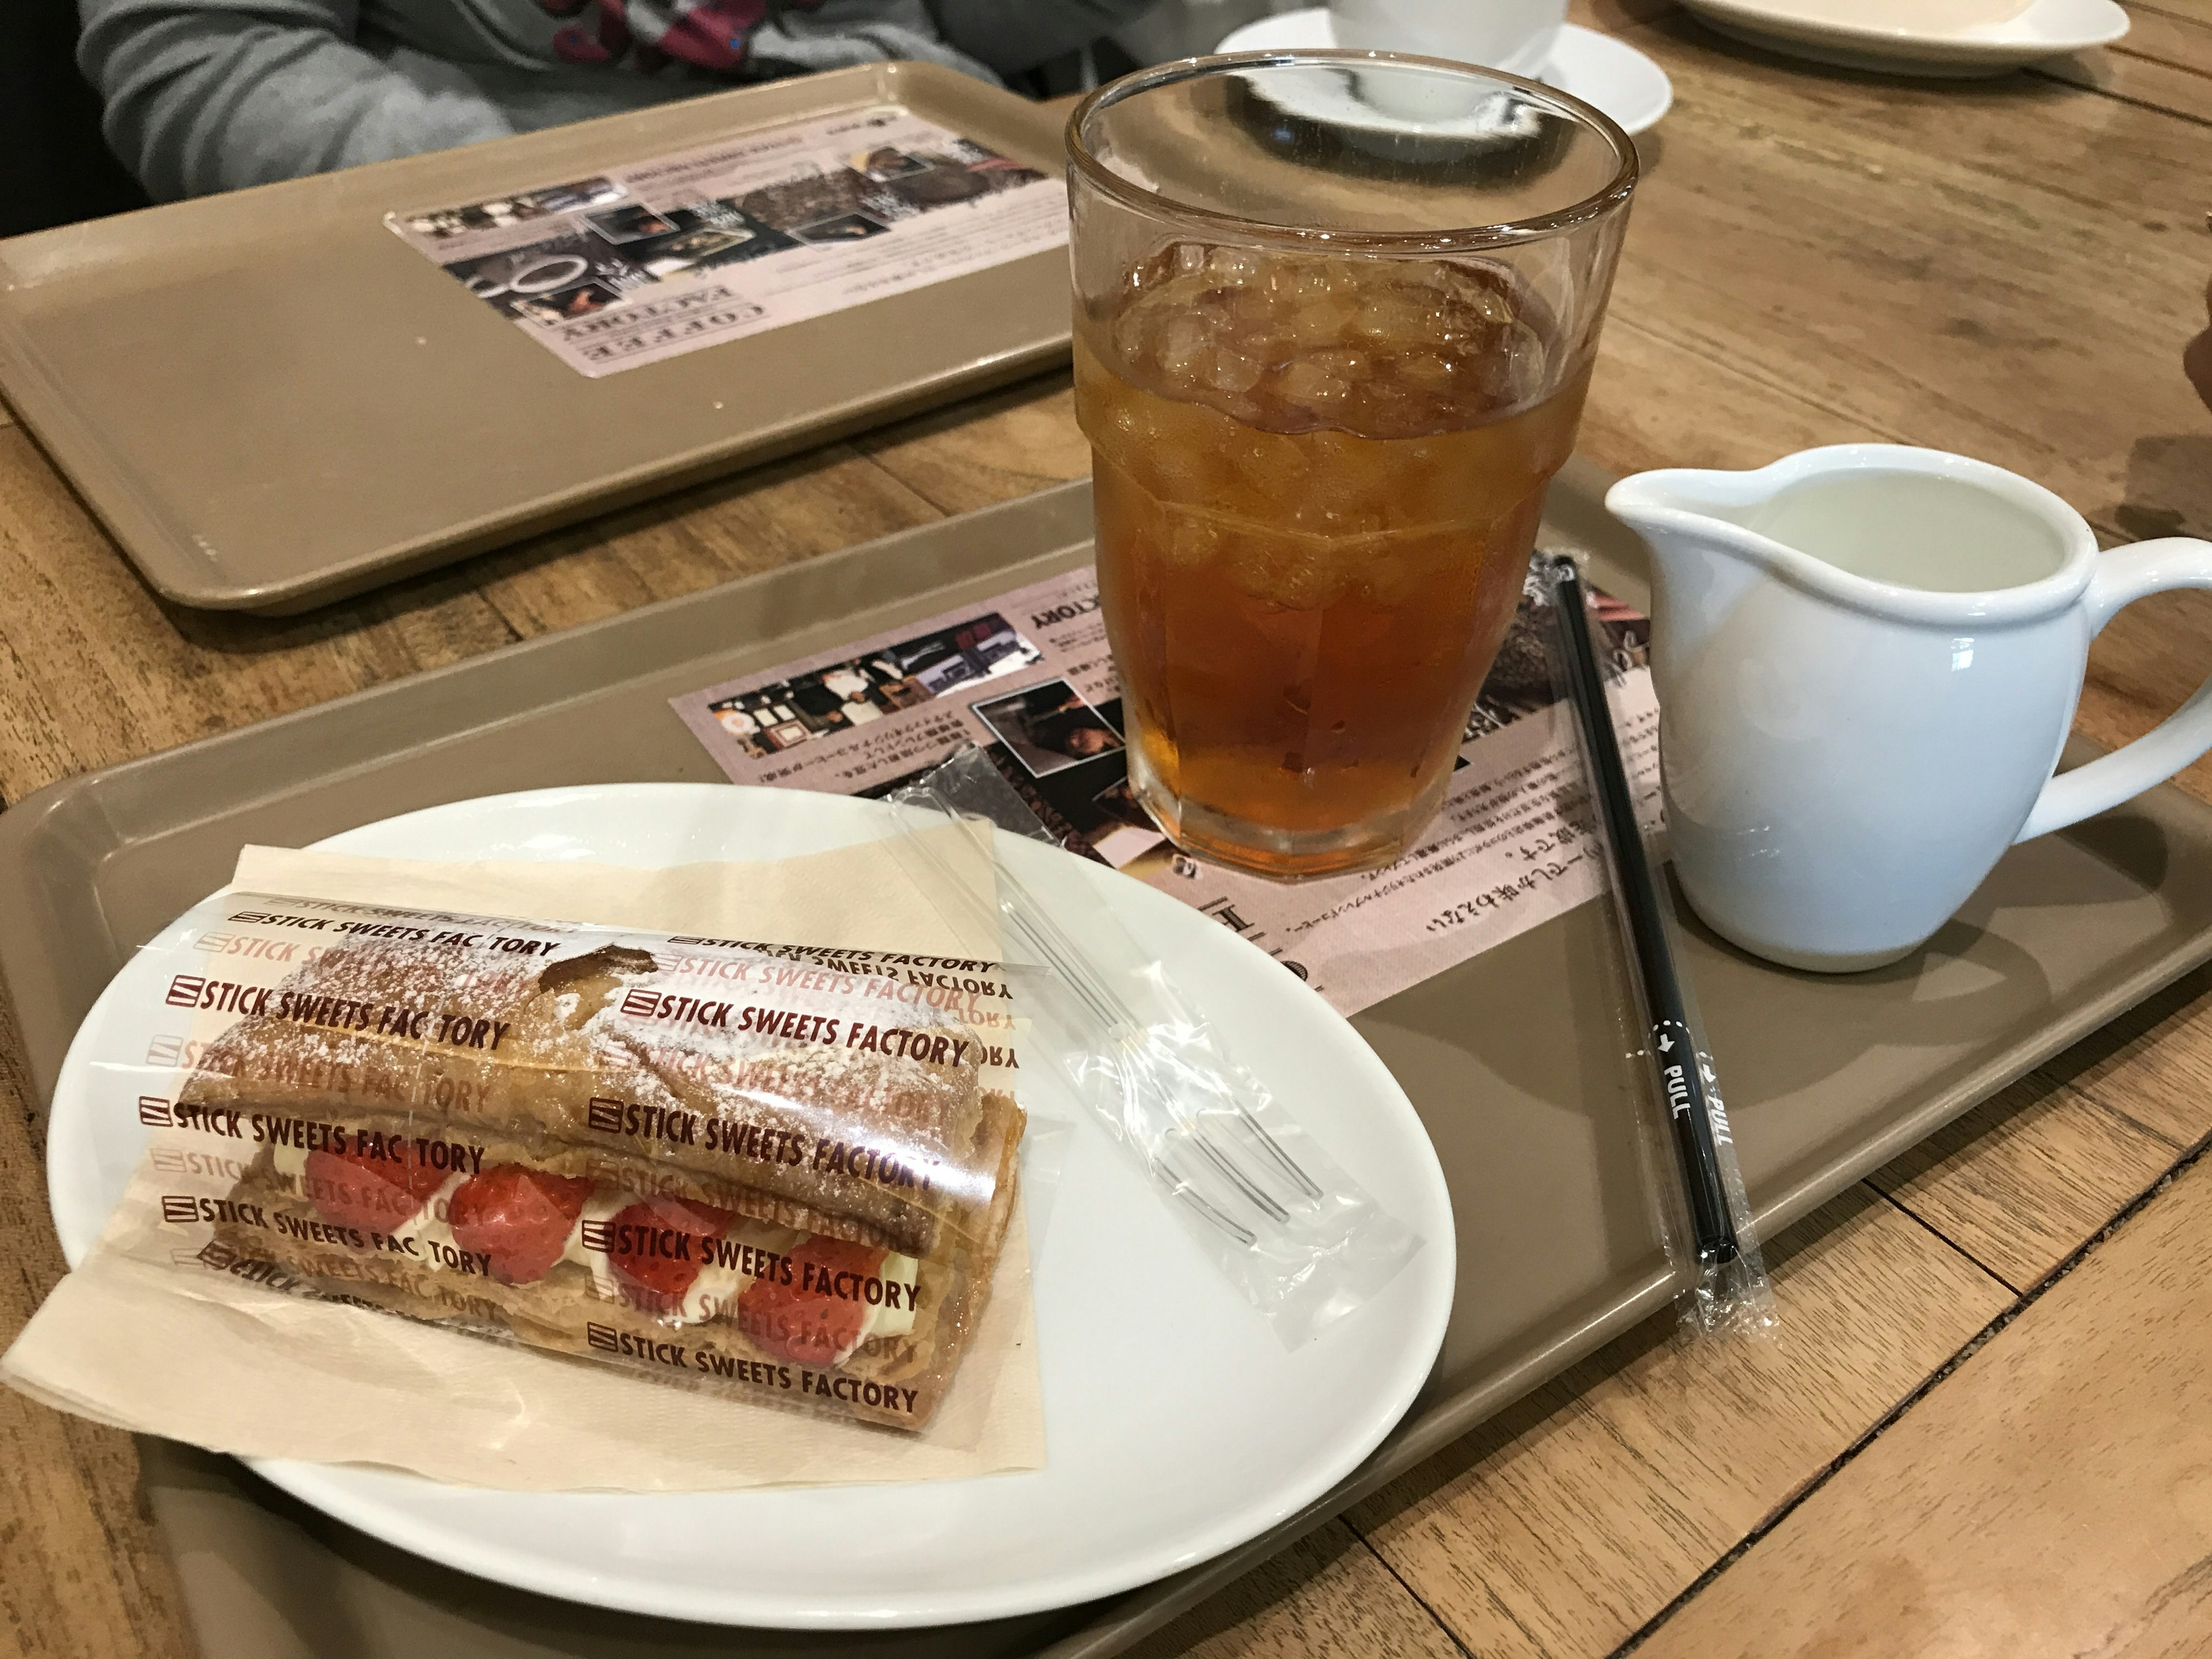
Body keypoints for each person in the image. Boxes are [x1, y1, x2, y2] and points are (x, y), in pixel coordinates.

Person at [78, 0, 1153, 202]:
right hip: (510, 233)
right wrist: (522, 197)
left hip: (917, 192)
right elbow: (205, 51)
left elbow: (956, 28)